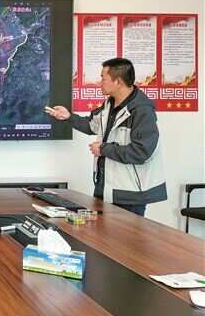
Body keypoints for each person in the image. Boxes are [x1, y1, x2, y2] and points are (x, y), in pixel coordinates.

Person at [45, 58, 167, 216]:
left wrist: (103, 149)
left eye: (103, 78)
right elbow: (92, 125)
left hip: (130, 195)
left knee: (126, 233)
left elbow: (141, 152)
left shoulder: (142, 111)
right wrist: (68, 117)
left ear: (118, 82)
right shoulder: (109, 104)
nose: (100, 82)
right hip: (106, 189)